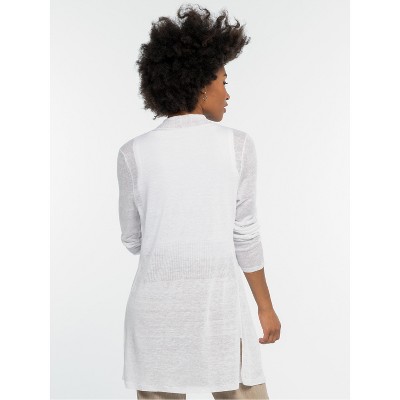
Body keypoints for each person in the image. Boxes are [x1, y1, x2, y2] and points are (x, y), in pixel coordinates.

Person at [117, 4, 281, 399]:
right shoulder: (236, 146)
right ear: (201, 83)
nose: (227, 93)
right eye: (223, 80)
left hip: (154, 313)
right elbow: (245, 235)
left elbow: (132, 240)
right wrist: (265, 306)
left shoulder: (132, 153)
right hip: (219, 309)